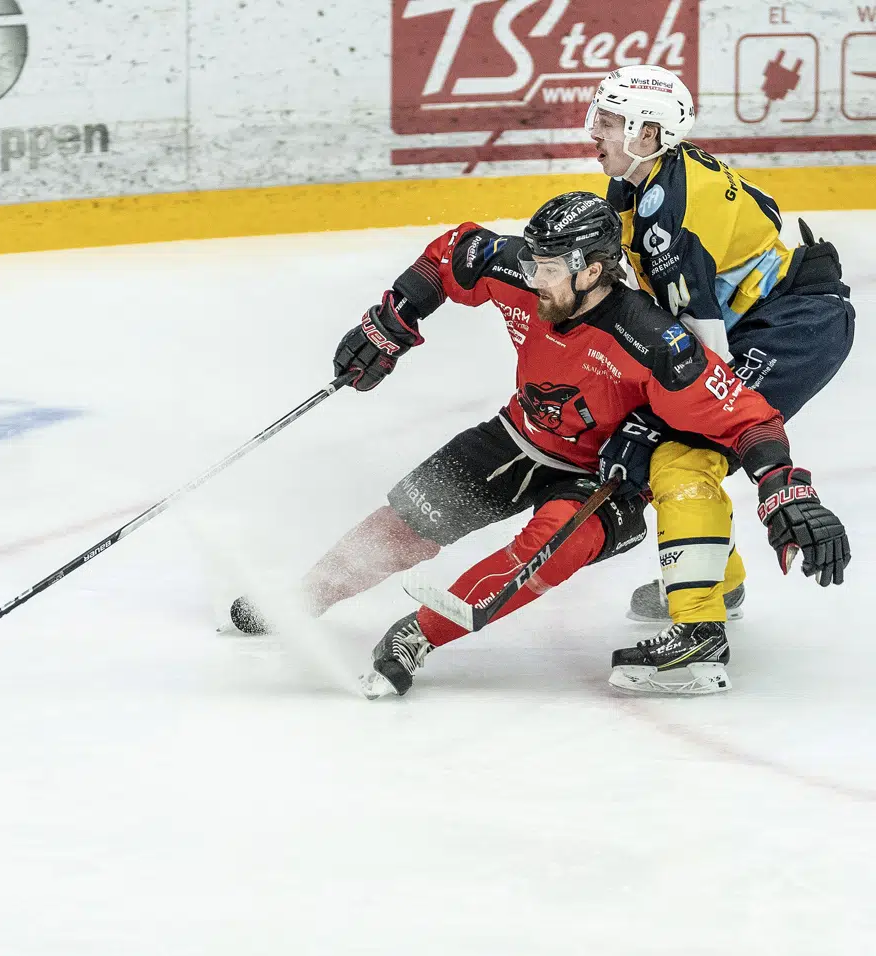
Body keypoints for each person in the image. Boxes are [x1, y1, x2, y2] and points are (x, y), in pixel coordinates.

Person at [228, 193, 849, 699]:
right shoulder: (526, 270)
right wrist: (392, 320)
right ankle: (301, 599)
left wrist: (785, 492)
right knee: (410, 518)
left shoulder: (656, 342)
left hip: (607, 479)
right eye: (533, 262)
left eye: (549, 268)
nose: (532, 276)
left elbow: (749, 420)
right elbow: (452, 254)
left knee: (544, 547)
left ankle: (416, 636)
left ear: (593, 270)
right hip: (521, 435)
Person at [584, 65, 855, 636]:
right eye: (598, 118)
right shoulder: (640, 180)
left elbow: (705, 361)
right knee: (650, 431)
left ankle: (702, 615)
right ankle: (716, 572)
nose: (594, 132)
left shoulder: (669, 219)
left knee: (674, 445)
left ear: (648, 134)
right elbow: (765, 210)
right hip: (777, 308)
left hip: (794, 324)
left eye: (608, 122)